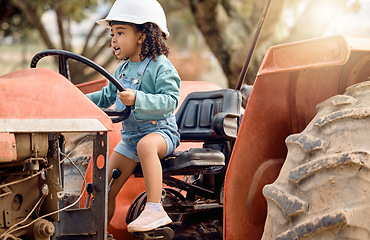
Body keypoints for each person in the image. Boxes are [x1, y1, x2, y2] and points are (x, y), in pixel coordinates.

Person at [87, 0, 181, 234]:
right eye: (112, 33)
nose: (114, 39)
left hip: (160, 133)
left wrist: (138, 99)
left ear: (142, 36)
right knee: (102, 188)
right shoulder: (122, 69)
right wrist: (79, 100)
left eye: (120, 32)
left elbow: (171, 102)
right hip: (130, 140)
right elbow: (107, 95)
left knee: (146, 146)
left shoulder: (161, 66)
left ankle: (155, 208)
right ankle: (97, 231)